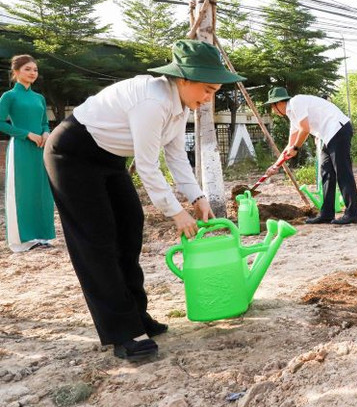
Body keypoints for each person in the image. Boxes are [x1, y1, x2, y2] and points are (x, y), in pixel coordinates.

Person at [43, 40, 240, 361]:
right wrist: (176, 213)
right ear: (183, 79)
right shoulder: (152, 101)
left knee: (130, 229)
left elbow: (176, 156)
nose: (208, 99)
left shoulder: (180, 107)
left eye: (214, 91)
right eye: (206, 89)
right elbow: (148, 166)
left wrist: (197, 196)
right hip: (72, 154)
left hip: (109, 159)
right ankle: (123, 332)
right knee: (98, 240)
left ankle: (137, 315)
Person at [265, 87, 357, 224]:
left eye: (272, 106)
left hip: (338, 129)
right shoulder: (292, 116)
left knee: (342, 171)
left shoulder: (296, 102)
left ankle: (353, 214)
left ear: (278, 103)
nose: (273, 110)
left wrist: (296, 148)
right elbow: (289, 145)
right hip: (327, 135)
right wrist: (275, 166)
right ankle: (327, 214)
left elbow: (305, 129)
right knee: (326, 173)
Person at [0, 54, 55, 252]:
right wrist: (27, 134)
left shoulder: (39, 97)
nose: (33, 73)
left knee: (41, 191)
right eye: (27, 69)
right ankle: (23, 240)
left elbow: (44, 122)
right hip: (21, 149)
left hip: (41, 148)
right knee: (22, 191)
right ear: (16, 72)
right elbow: (0, 122)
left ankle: (41, 236)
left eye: (35, 70)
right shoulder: (9, 96)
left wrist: (46, 133)